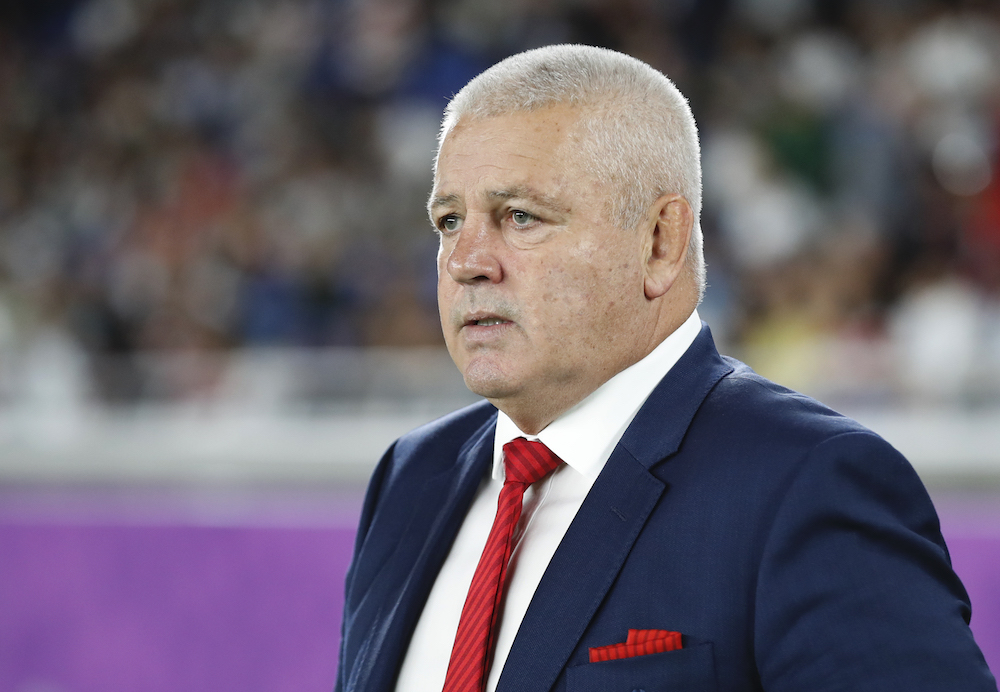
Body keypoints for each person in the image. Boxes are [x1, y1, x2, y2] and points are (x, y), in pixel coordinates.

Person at [336, 45, 997, 692]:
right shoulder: (410, 476)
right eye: (449, 220)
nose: (465, 261)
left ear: (660, 242)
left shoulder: (808, 484)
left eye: (520, 216)